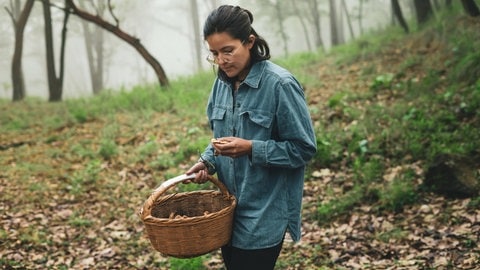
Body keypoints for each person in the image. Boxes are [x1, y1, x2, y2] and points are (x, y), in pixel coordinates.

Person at [186, 5, 317, 270]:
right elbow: (220, 138)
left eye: (228, 51)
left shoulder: (280, 84)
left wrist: (251, 148)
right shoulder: (221, 84)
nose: (221, 61)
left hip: (264, 214)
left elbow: (303, 149)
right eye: (214, 53)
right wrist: (207, 161)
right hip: (227, 213)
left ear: (249, 42)